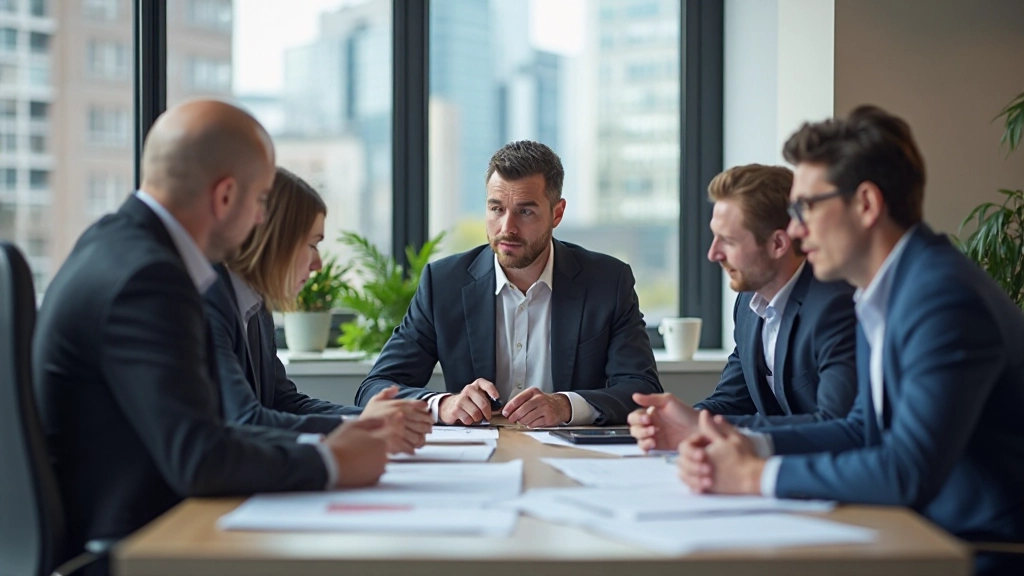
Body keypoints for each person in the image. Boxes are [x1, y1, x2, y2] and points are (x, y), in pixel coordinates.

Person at [33, 100, 389, 562]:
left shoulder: (113, 244)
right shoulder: (151, 279)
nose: (261, 219)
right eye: (260, 200)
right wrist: (332, 461)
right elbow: (199, 456)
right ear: (225, 197)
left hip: (140, 524)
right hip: (135, 542)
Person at [677, 106, 1024, 573]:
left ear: (865, 204)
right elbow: (859, 429)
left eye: (806, 207)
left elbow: (907, 469)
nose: (794, 229)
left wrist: (755, 476)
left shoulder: (943, 298)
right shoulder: (886, 290)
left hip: (980, 549)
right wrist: (747, 445)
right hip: (917, 533)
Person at [355, 140, 661, 426]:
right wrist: (444, 404)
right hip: (475, 455)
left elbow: (643, 390)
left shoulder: (607, 282)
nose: (507, 227)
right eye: (496, 209)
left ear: (557, 213)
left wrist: (565, 406)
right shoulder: (444, 284)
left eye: (525, 211)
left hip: (570, 454)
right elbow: (375, 389)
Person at [628, 164, 857, 451]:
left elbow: (836, 423)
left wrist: (701, 427)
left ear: (778, 243)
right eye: (714, 236)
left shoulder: (835, 305)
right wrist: (674, 422)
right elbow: (734, 400)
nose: (713, 253)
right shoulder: (748, 302)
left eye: (728, 241)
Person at [204, 166, 432, 453]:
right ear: (276, 240)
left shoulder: (256, 306)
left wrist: (372, 419)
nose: (318, 265)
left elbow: (283, 402)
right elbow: (245, 419)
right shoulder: (211, 300)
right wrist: (363, 425)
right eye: (312, 245)